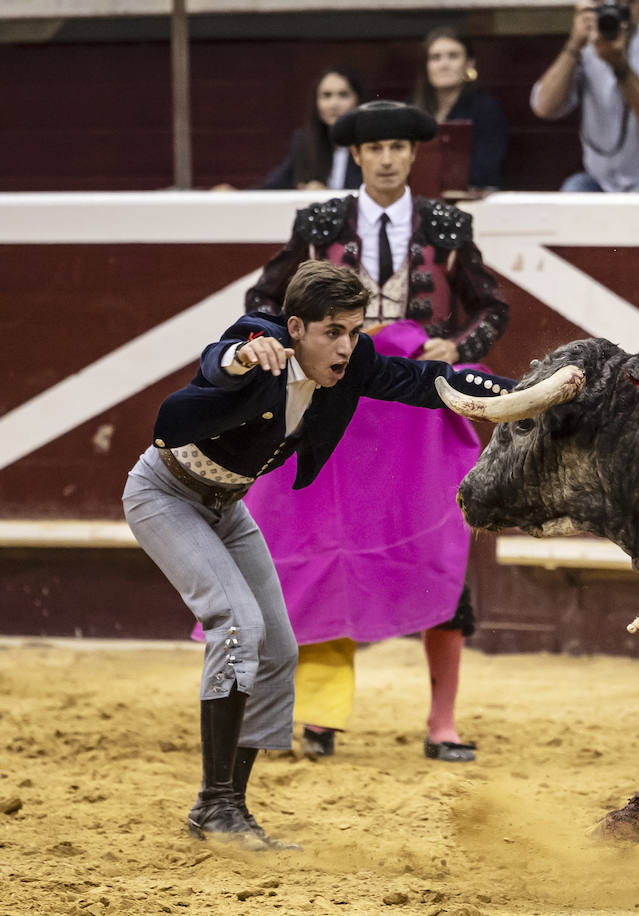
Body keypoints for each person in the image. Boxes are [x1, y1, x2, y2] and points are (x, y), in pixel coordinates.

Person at [122, 261, 511, 849]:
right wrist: (245, 355)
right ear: (297, 327)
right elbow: (219, 358)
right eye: (333, 331)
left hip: (227, 508)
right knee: (237, 625)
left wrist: (515, 396)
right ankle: (216, 804)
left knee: (278, 645)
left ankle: (227, 808)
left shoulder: (354, 367)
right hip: (164, 494)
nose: (346, 346)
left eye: (355, 331)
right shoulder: (262, 341)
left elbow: (432, 381)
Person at [244, 100, 509, 764]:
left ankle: (442, 723)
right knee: (328, 548)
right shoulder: (318, 223)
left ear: (414, 155)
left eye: (399, 147)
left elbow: (492, 306)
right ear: (357, 157)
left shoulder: (447, 224)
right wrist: (290, 349)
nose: (388, 157)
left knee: (437, 550)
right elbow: (263, 301)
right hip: (340, 402)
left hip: (416, 415)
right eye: (376, 148)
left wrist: (453, 344)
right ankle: (322, 718)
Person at [530, 0, 639, 192]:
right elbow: (544, 107)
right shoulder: (586, 49)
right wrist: (574, 45)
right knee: (574, 189)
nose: (617, 13)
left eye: (628, 3)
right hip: (603, 182)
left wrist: (618, 65)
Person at [412, 27, 508, 190]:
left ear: (469, 63)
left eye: (453, 56)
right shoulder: (411, 109)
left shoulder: (485, 108)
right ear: (426, 65)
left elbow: (487, 168)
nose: (444, 64)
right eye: (435, 58)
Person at [257, 67, 366, 191]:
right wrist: (237, 194)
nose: (333, 104)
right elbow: (273, 186)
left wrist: (324, 195)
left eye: (343, 95)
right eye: (326, 96)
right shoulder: (304, 143)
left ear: (358, 100)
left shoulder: (371, 143)